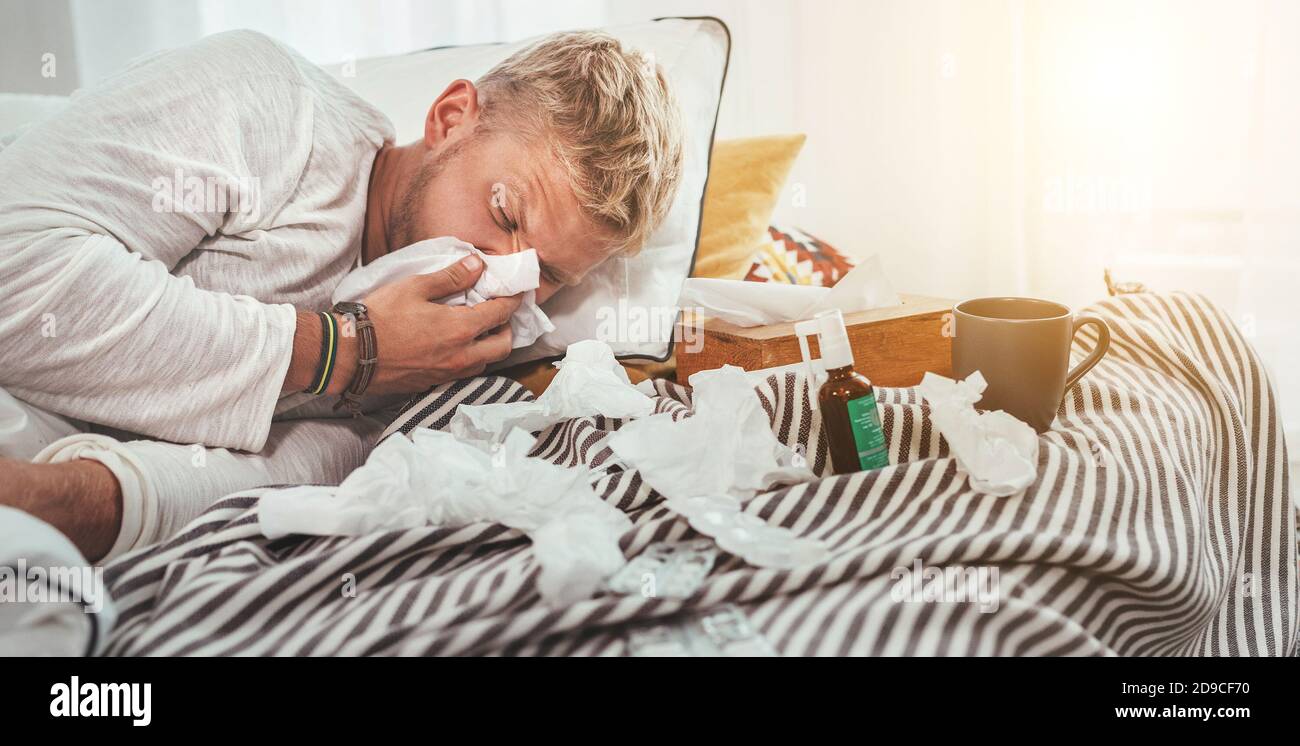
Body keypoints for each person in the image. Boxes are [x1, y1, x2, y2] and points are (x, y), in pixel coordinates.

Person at [0, 29, 684, 561]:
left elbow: (312, 465)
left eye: (550, 274)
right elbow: (14, 275)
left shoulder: (473, 342)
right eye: (504, 215)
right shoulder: (267, 104)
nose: (496, 274)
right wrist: (343, 350)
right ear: (451, 118)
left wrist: (70, 503)